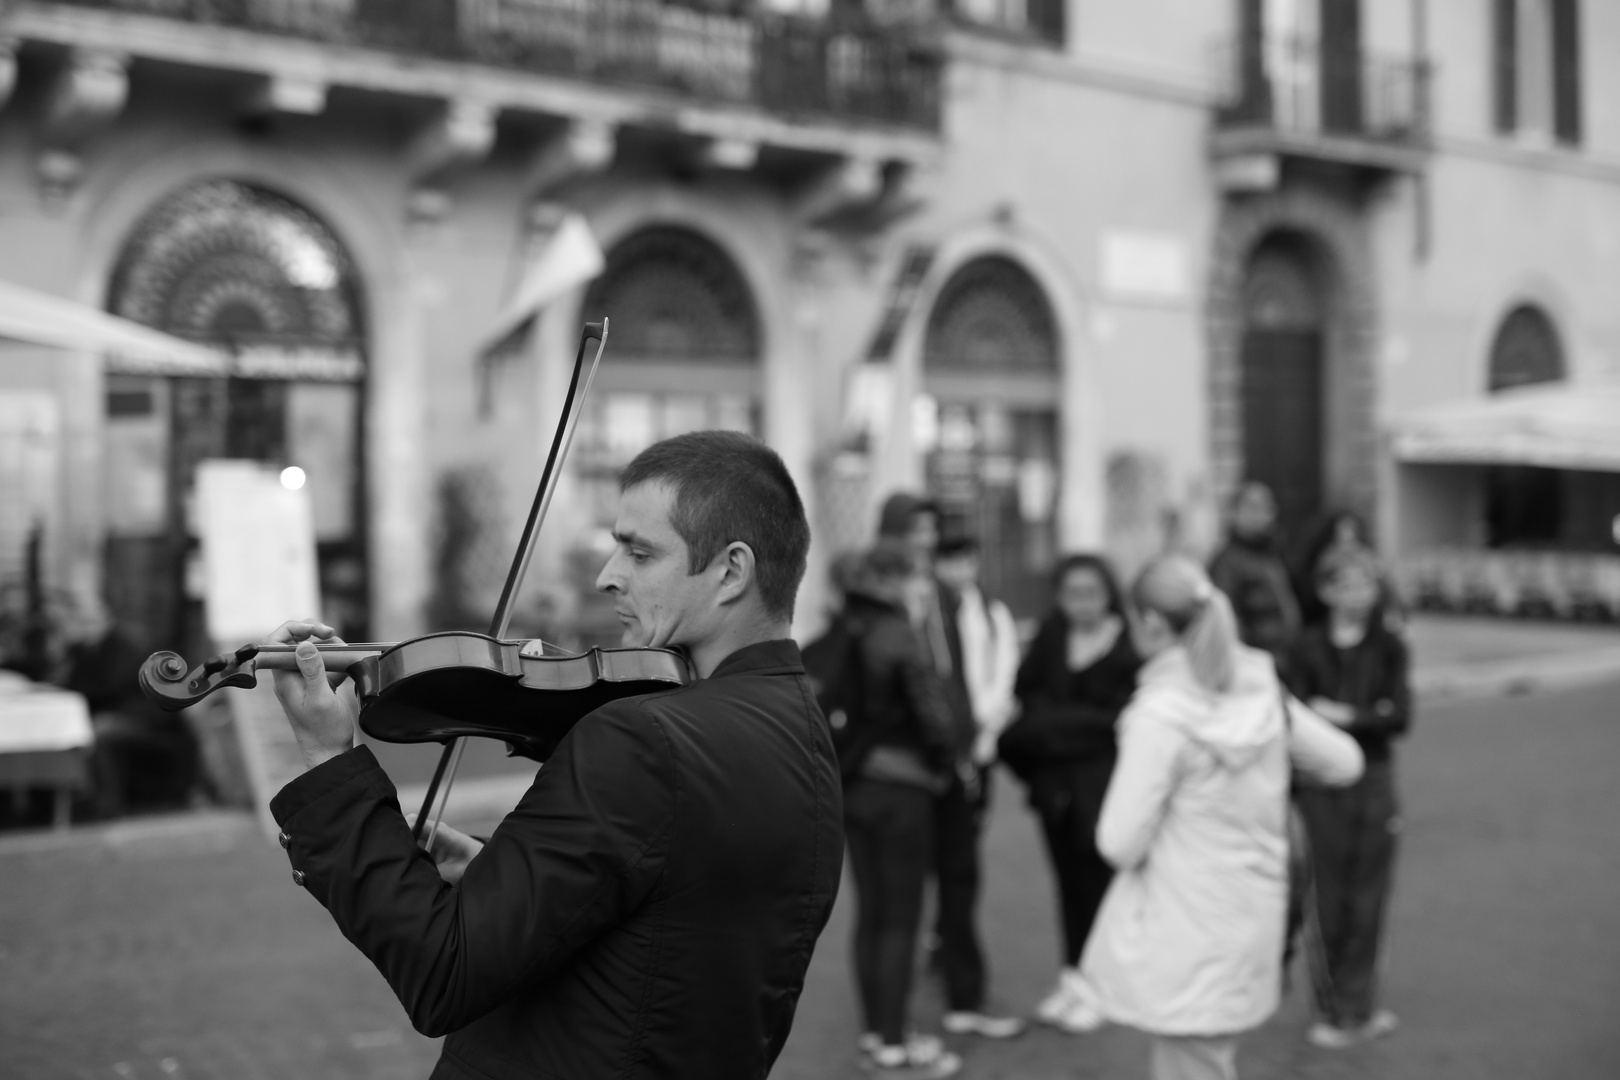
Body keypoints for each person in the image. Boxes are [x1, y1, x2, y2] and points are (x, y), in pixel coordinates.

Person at [263, 431, 843, 1080]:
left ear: (731, 572)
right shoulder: (806, 737)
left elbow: (443, 972)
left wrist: (329, 754)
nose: (606, 576)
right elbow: (683, 917)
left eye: (640, 553)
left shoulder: (642, 740)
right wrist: (517, 879)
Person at [1079, 556, 1363, 1080]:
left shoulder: (1159, 715)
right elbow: (1343, 761)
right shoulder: (1259, 688)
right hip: (1250, 913)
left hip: (1184, 920)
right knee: (1208, 1062)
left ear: (1152, 624)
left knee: (1191, 1065)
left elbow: (1119, 842)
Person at [876, 493, 1023, 1040]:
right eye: (914, 530)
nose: (925, 541)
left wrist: (963, 745)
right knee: (896, 903)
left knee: (960, 880)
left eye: (930, 530)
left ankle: (965, 998)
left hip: (951, 759)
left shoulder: (946, 594)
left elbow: (954, 677)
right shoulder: (875, 591)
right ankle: (890, 1026)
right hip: (899, 768)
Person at [839, 541, 969, 1077]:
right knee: (902, 918)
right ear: (895, 581)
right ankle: (896, 1041)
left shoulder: (843, 627)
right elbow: (935, 717)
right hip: (902, 786)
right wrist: (946, 766)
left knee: (869, 913)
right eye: (915, 577)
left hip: (854, 785)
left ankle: (875, 1032)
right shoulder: (897, 632)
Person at [996, 555, 1140, 1033]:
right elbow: (1027, 695)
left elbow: (1119, 721)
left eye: (1091, 593)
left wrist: (1055, 725)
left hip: (1104, 792)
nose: (1081, 604)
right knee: (1068, 886)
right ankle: (1075, 978)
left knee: (1100, 888)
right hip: (1056, 790)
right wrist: (1075, 726)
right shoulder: (1051, 637)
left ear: (1108, 594)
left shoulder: (1129, 646)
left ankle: (1102, 986)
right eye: (1071, 593)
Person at [1285, 546, 1411, 1049]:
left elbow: (1398, 716)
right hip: (1321, 784)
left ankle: (1360, 1005)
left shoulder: (1390, 647)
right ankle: (1333, 1008)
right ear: (1326, 590)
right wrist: (1365, 712)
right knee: (1328, 896)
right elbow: (1295, 714)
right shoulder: (1306, 645)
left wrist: (1345, 715)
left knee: (1369, 896)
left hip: (1375, 779)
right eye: (1348, 583)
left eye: (1367, 583)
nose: (1359, 593)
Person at [933, 535, 1020, 771]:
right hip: (946, 725)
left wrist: (986, 714)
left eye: (966, 560)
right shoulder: (931, 615)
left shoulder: (993, 612)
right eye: (950, 560)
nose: (959, 569)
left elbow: (1006, 666)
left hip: (986, 724)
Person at [1208, 481, 1302, 663]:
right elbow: (1226, 619)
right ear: (1234, 512)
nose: (1260, 514)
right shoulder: (1228, 562)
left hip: (1287, 658)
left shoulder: (1273, 552)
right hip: (1256, 660)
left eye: (1266, 507)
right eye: (1252, 507)